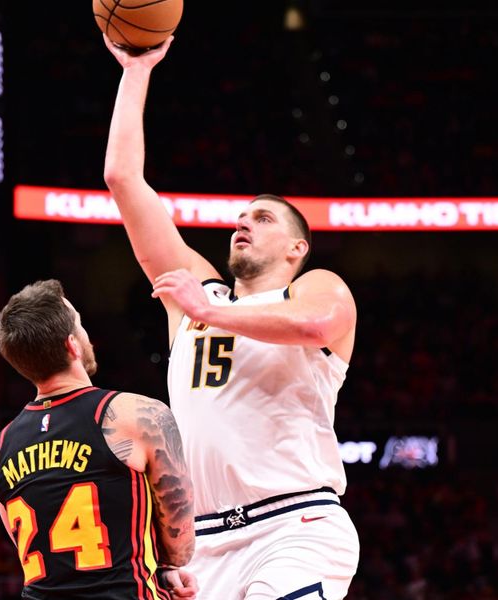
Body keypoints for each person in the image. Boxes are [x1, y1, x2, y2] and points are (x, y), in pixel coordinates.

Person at [103, 36, 360, 600]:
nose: (243, 224)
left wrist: (210, 310)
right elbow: (123, 180)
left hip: (296, 525)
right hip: (201, 543)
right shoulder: (197, 293)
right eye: (240, 218)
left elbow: (316, 325)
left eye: (263, 219)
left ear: (296, 249)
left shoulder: (315, 286)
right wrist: (136, 70)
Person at [0, 279, 197, 599]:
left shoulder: (2, 448)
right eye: (81, 325)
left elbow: (28, 544)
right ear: (73, 344)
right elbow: (181, 543)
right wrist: (167, 568)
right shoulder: (136, 415)